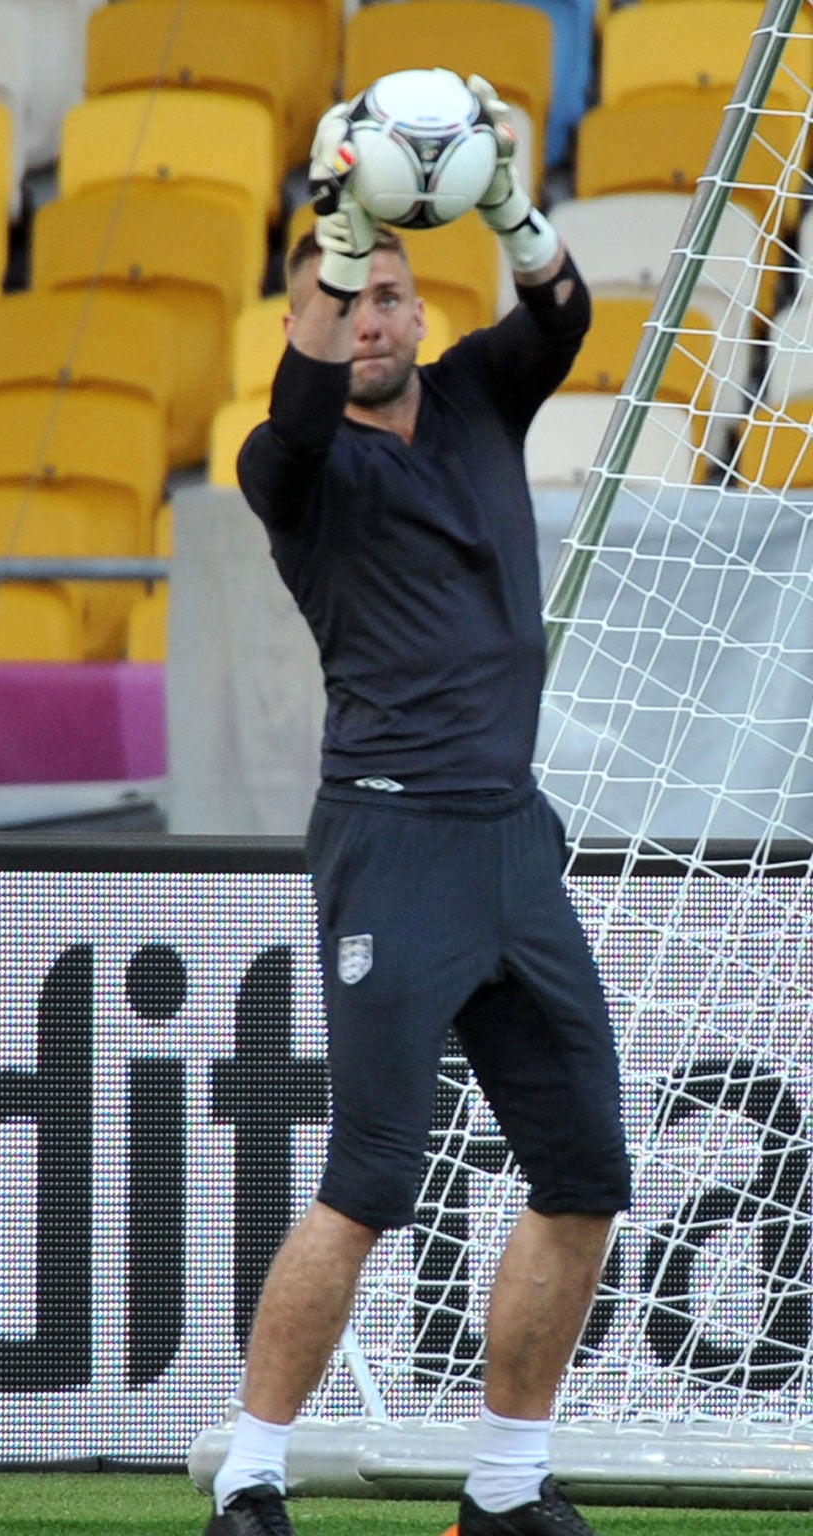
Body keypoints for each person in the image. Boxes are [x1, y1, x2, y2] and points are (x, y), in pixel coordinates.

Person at [203, 81, 631, 1536]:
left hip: (513, 840)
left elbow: (566, 315)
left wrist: (508, 196)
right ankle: (252, 1473)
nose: (377, 317)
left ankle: (504, 1486)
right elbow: (302, 399)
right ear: (315, 314)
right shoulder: (292, 464)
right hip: (392, 839)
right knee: (369, 1182)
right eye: (352, 298)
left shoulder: (472, 400)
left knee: (583, 1172)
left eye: (397, 295)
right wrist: (338, 224)